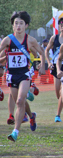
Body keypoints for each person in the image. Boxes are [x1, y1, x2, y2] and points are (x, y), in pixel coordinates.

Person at [0, 11, 45, 142]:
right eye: (16, 23)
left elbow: (42, 52)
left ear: (26, 25)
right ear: (13, 26)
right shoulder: (7, 40)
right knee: (22, 102)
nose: (18, 26)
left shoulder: (30, 40)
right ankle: (31, 116)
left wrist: (42, 66)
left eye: (21, 23)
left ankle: (15, 132)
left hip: (24, 74)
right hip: (11, 75)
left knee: (19, 101)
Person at [45, 17, 63, 122]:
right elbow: (46, 51)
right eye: (61, 25)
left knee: (62, 91)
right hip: (56, 66)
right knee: (57, 92)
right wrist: (49, 62)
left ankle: (57, 115)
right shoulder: (54, 38)